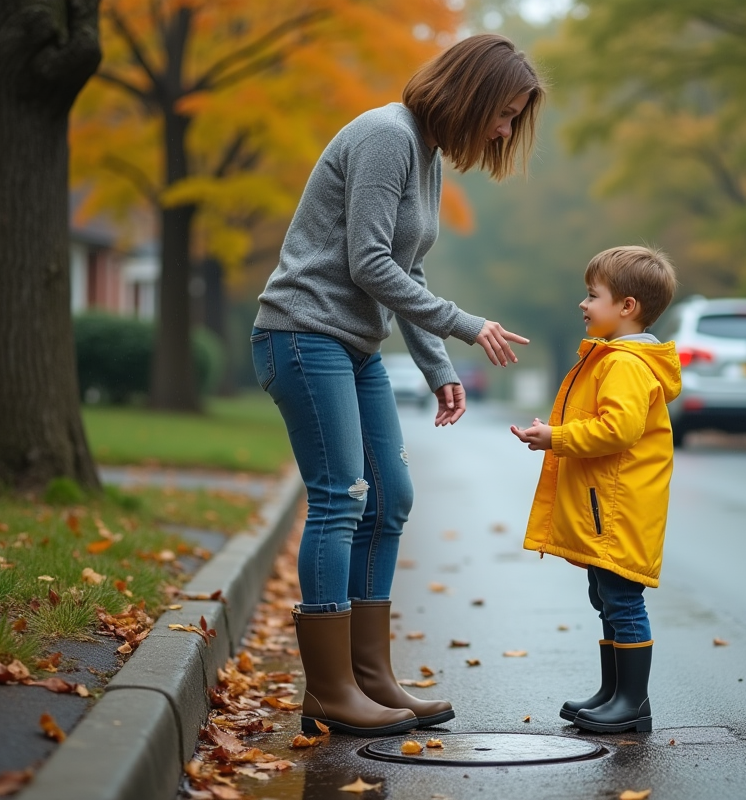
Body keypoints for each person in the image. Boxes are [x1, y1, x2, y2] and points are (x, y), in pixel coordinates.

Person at [251, 33, 543, 738]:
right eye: (503, 113)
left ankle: (371, 678)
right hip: (301, 332)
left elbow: (404, 273)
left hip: (349, 343)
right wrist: (469, 326)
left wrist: (439, 366)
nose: (504, 130)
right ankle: (329, 689)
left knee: (392, 496)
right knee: (341, 495)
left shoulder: (425, 153)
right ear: (470, 94)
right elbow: (367, 264)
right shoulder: (387, 137)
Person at [511, 245, 681, 734]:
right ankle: (612, 693)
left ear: (627, 306)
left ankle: (632, 702)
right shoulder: (614, 357)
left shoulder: (625, 364)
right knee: (606, 596)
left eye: (593, 295)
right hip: (608, 503)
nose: (583, 304)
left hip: (620, 505)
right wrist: (556, 432)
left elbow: (618, 430)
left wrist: (556, 438)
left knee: (622, 601)